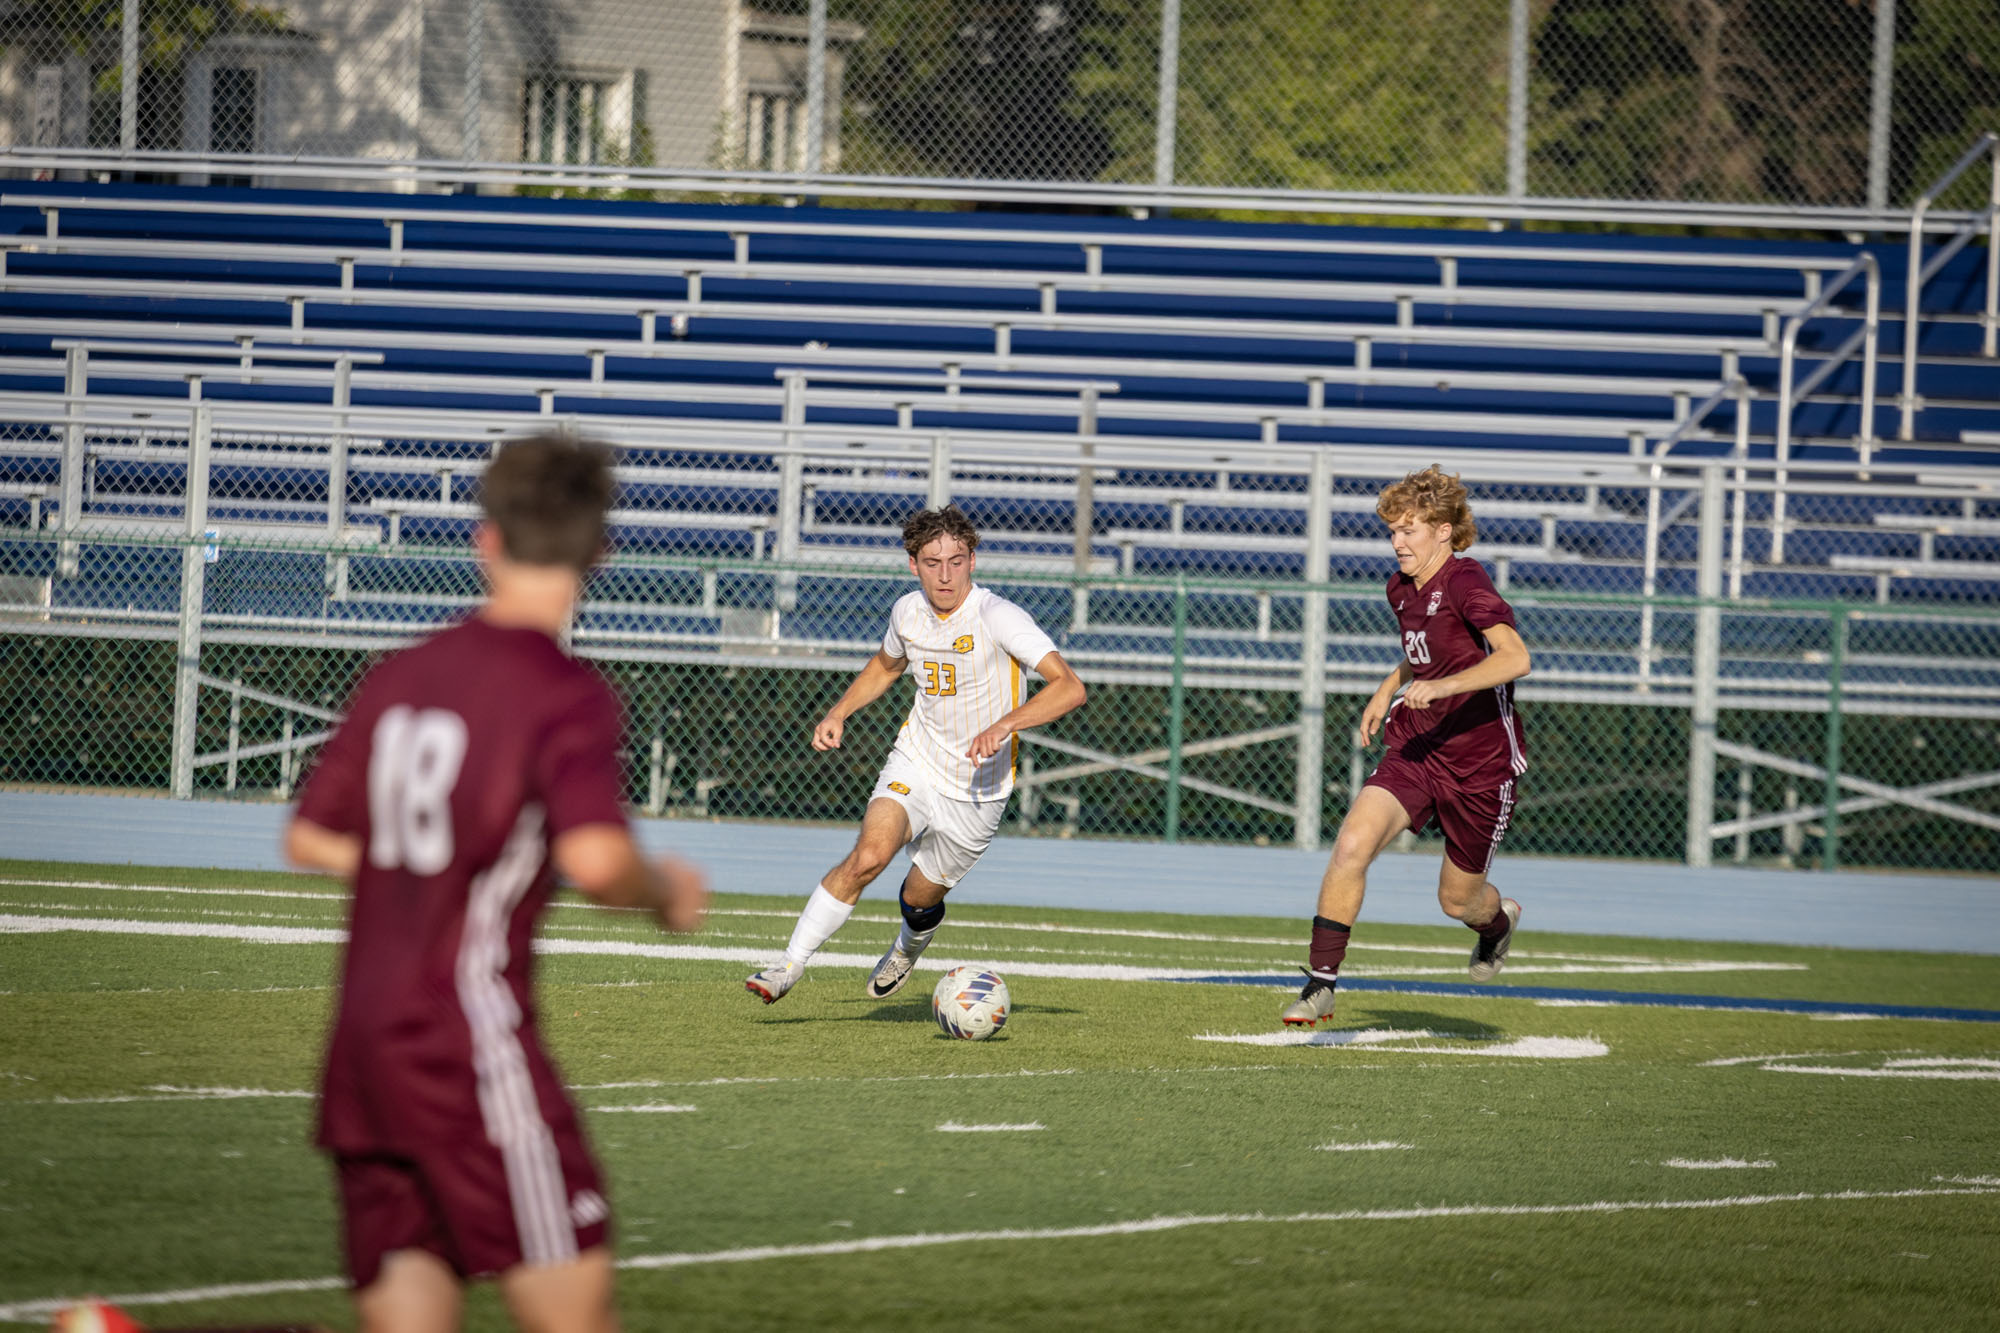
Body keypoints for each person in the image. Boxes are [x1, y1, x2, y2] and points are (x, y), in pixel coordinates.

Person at [283, 433, 710, 1333]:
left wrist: (429, 866)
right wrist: (666, 890)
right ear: (602, 550)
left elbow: (311, 836)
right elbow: (597, 863)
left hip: (362, 1042)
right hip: (465, 1039)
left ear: (485, 539)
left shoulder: (401, 673)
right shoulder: (564, 692)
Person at [746, 504, 1086, 1004]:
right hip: (918, 761)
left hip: (979, 788)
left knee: (918, 897)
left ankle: (908, 945)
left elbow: (1070, 688)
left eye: (956, 560)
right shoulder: (907, 611)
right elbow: (886, 667)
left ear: (973, 560)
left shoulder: (999, 617)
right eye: (932, 562)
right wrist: (839, 711)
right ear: (913, 564)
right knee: (869, 856)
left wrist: (1006, 723)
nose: (945, 574)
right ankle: (788, 965)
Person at [1283, 464, 1530, 1027]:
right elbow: (1427, 654)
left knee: (1457, 902)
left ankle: (1498, 925)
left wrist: (1441, 686)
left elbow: (1516, 658)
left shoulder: (1468, 581)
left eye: (1409, 530)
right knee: (1351, 846)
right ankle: (1320, 985)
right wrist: (1388, 687)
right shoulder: (1400, 588)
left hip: (1480, 765)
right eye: (1392, 531)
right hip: (1418, 749)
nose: (1397, 542)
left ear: (1443, 530)